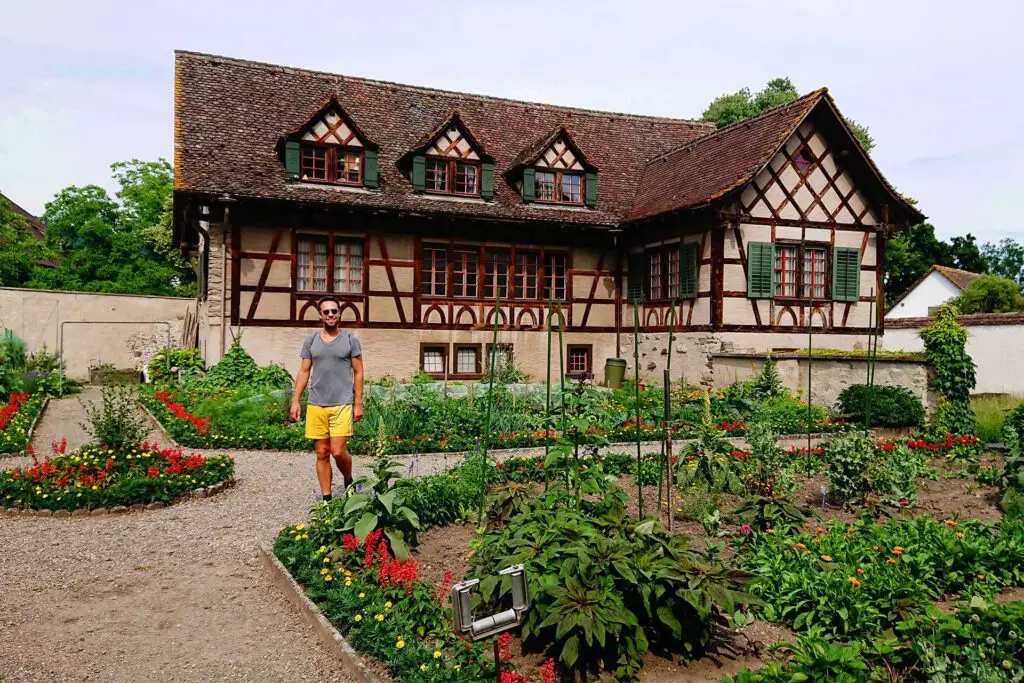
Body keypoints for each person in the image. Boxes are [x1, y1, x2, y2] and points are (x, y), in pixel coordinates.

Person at [290, 296, 364, 501]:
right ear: (320, 315)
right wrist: (295, 400)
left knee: (338, 451)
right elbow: (304, 371)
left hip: (342, 403)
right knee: (322, 452)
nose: (330, 315)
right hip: (316, 404)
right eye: (326, 312)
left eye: (334, 311)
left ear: (339, 314)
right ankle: (327, 500)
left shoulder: (350, 340)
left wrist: (358, 403)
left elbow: (358, 373)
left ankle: (348, 478)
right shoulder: (311, 340)